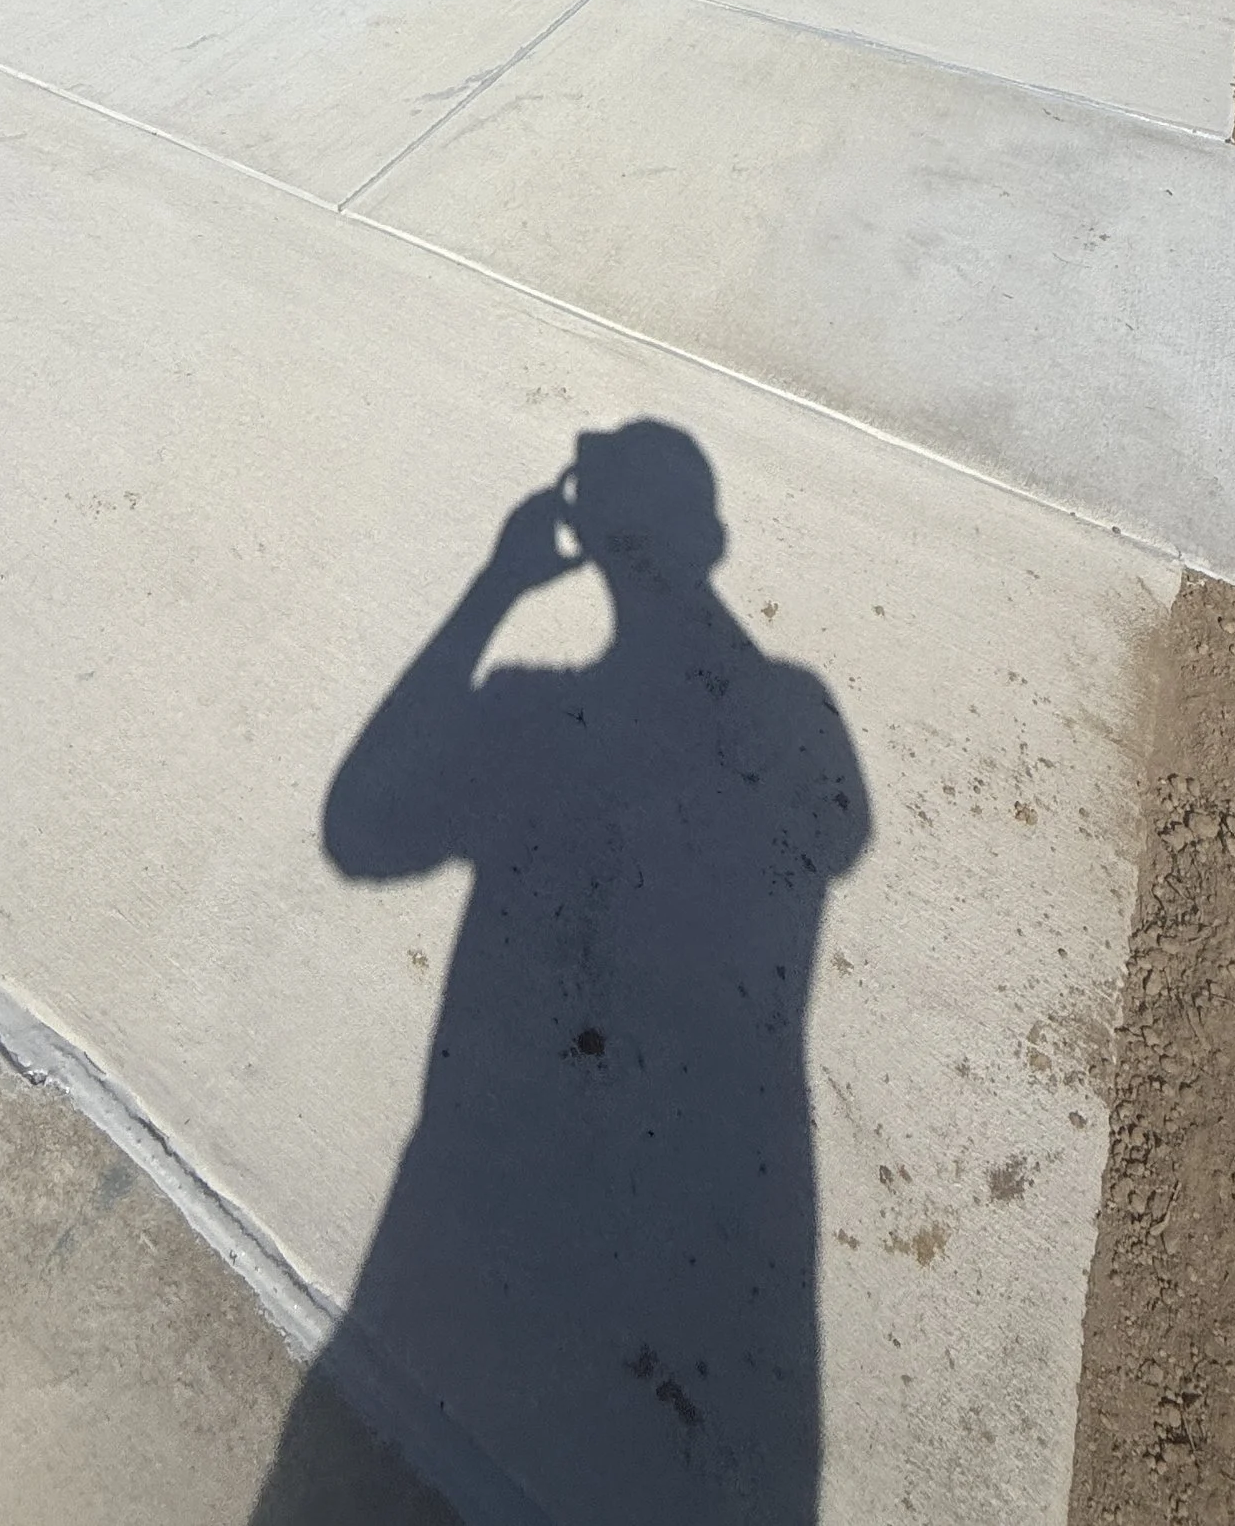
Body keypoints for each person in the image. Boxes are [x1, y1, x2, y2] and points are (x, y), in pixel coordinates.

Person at [252, 423, 870, 1525]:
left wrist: (494, 587)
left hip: (479, 1208)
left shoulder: (530, 718)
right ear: (714, 538)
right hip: (733, 1211)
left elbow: (358, 830)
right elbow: (841, 834)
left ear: (579, 535)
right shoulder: (799, 714)